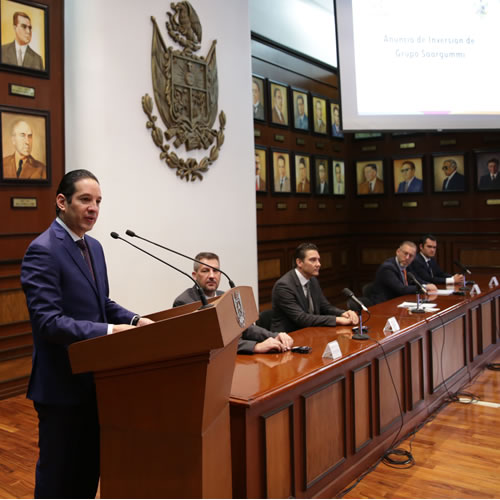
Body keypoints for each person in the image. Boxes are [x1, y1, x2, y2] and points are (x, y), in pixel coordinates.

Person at [20, 169, 153, 498]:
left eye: (98, 201)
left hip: (97, 381)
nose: (93, 208)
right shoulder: (44, 250)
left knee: (87, 471)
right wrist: (110, 331)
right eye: (85, 200)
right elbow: (48, 322)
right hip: (61, 385)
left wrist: (135, 320)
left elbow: (101, 302)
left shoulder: (93, 247)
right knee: (58, 477)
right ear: (62, 202)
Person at [173, 252, 294, 354]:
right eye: (205, 271)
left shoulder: (225, 296)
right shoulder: (184, 302)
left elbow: (245, 328)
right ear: (194, 275)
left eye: (216, 271)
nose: (211, 276)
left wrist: (274, 336)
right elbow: (208, 342)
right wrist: (255, 347)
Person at [271, 243, 359, 333]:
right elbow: (301, 318)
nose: (318, 264)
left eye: (318, 260)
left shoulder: (312, 280)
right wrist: (337, 320)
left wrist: (343, 313)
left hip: (310, 332)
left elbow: (325, 307)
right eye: (313, 260)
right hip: (289, 336)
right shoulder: (284, 286)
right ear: (299, 262)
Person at [368, 241, 438, 305]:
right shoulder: (388, 268)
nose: (407, 257)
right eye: (405, 253)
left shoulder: (406, 266)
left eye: (411, 256)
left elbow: (416, 280)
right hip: (384, 305)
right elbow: (401, 289)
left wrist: (428, 284)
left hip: (400, 302)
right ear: (398, 252)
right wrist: (425, 287)